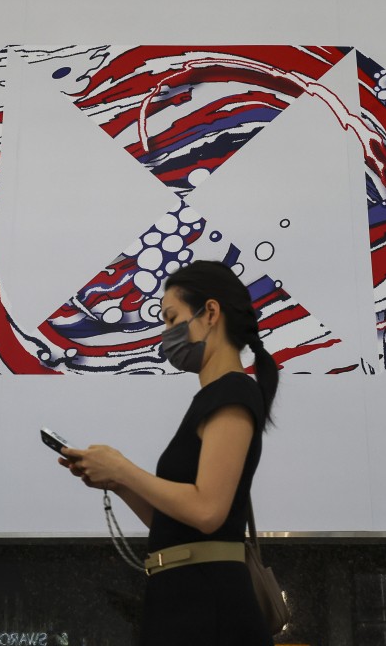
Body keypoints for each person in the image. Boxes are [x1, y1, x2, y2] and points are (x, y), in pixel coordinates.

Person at [59, 260, 279, 646]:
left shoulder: (232, 393)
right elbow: (177, 522)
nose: (165, 333)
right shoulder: (213, 397)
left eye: (171, 317)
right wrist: (118, 483)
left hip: (208, 607)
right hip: (183, 598)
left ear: (210, 313)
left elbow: (207, 511)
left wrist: (123, 469)